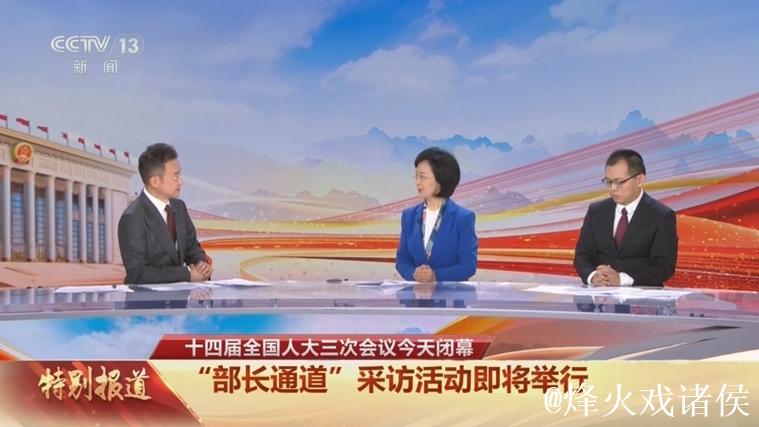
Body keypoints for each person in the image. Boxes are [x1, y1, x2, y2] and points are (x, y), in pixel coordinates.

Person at [574, 149, 677, 287]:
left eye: (619, 182)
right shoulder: (596, 211)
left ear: (639, 180)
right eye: (608, 182)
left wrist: (622, 279)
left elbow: (664, 266)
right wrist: (592, 276)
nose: (612, 188)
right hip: (599, 295)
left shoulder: (661, 216)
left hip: (642, 297)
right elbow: (582, 256)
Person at [118, 143, 212, 284]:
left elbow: (192, 249)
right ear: (155, 181)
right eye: (175, 176)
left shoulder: (179, 207)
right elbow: (138, 273)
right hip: (148, 297)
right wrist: (187, 274)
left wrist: (201, 265)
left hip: (180, 295)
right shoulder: (132, 218)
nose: (181, 181)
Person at [396, 147, 478, 282]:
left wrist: (436, 276)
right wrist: (413, 274)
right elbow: (402, 260)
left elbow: (468, 266)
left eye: (422, 177)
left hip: (451, 294)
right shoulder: (408, 216)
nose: (417, 182)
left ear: (441, 179)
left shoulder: (463, 218)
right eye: (416, 176)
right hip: (416, 293)